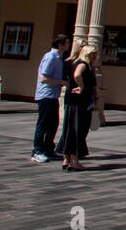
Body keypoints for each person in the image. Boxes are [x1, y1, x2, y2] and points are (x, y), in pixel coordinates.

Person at [31, 35, 71, 163]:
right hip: (46, 95)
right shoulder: (51, 57)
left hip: (53, 95)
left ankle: (48, 149)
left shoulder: (59, 58)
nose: (68, 45)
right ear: (60, 44)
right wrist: (62, 82)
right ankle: (37, 151)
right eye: (67, 43)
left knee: (53, 124)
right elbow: (44, 78)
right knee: (43, 124)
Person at [58, 46, 98, 171]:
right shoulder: (83, 64)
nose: (95, 56)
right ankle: (74, 160)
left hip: (75, 101)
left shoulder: (80, 64)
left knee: (71, 128)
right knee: (78, 129)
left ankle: (67, 158)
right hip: (79, 102)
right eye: (93, 53)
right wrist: (82, 87)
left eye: (95, 53)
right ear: (87, 53)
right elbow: (77, 75)